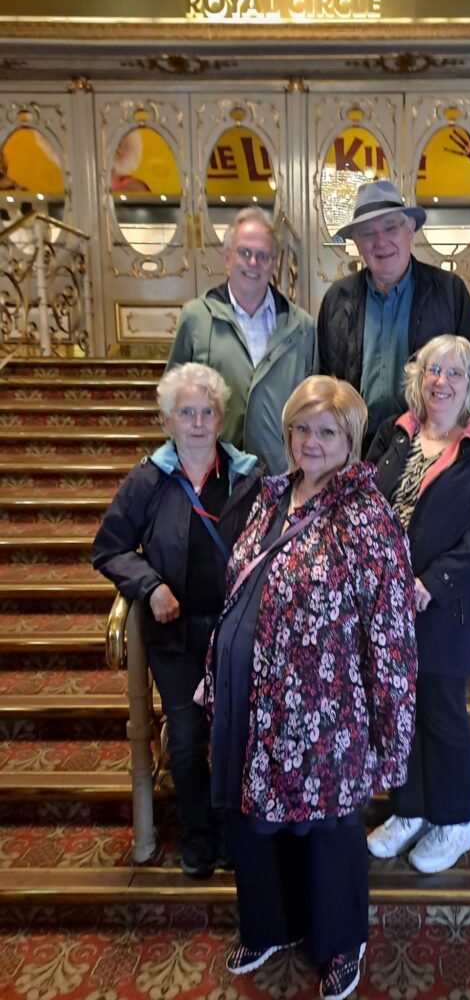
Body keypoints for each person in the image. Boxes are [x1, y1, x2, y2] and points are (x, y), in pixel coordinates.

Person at [203, 375, 417, 1000]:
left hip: (328, 710)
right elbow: (239, 589)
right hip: (255, 700)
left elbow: (392, 633)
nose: (311, 441)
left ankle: (340, 942)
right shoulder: (271, 496)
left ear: (350, 439)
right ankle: (270, 924)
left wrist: (390, 729)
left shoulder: (365, 514)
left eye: (327, 431)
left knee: (328, 829)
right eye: (302, 428)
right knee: (255, 817)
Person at [92, 362, 262, 879]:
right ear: (167, 420)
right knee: (186, 737)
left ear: (220, 417)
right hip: (173, 636)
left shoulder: (247, 473)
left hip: (233, 634)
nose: (196, 422)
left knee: (233, 734)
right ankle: (196, 835)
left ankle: (230, 832)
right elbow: (109, 548)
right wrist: (150, 585)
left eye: (206, 411)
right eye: (185, 412)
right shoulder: (148, 478)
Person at [366, 335, 470, 874]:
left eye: (455, 374)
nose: (442, 382)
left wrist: (434, 581)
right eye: (434, 370)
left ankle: (456, 821)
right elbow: (366, 498)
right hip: (388, 604)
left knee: (440, 713)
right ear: (419, 378)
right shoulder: (397, 433)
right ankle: (409, 810)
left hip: (446, 607)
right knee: (398, 711)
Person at [316, 179, 470, 447]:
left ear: (410, 231)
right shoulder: (337, 298)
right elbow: (323, 379)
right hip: (355, 446)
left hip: (428, 445)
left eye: (390, 227)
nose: (380, 242)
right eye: (368, 233)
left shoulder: (448, 290)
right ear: (357, 243)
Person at [167, 206, 317, 474]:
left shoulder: (301, 327)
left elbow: (313, 408)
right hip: (214, 476)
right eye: (244, 252)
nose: (253, 263)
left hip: (280, 478)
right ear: (226, 257)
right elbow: (171, 400)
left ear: (273, 263)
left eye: (263, 256)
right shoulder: (196, 319)